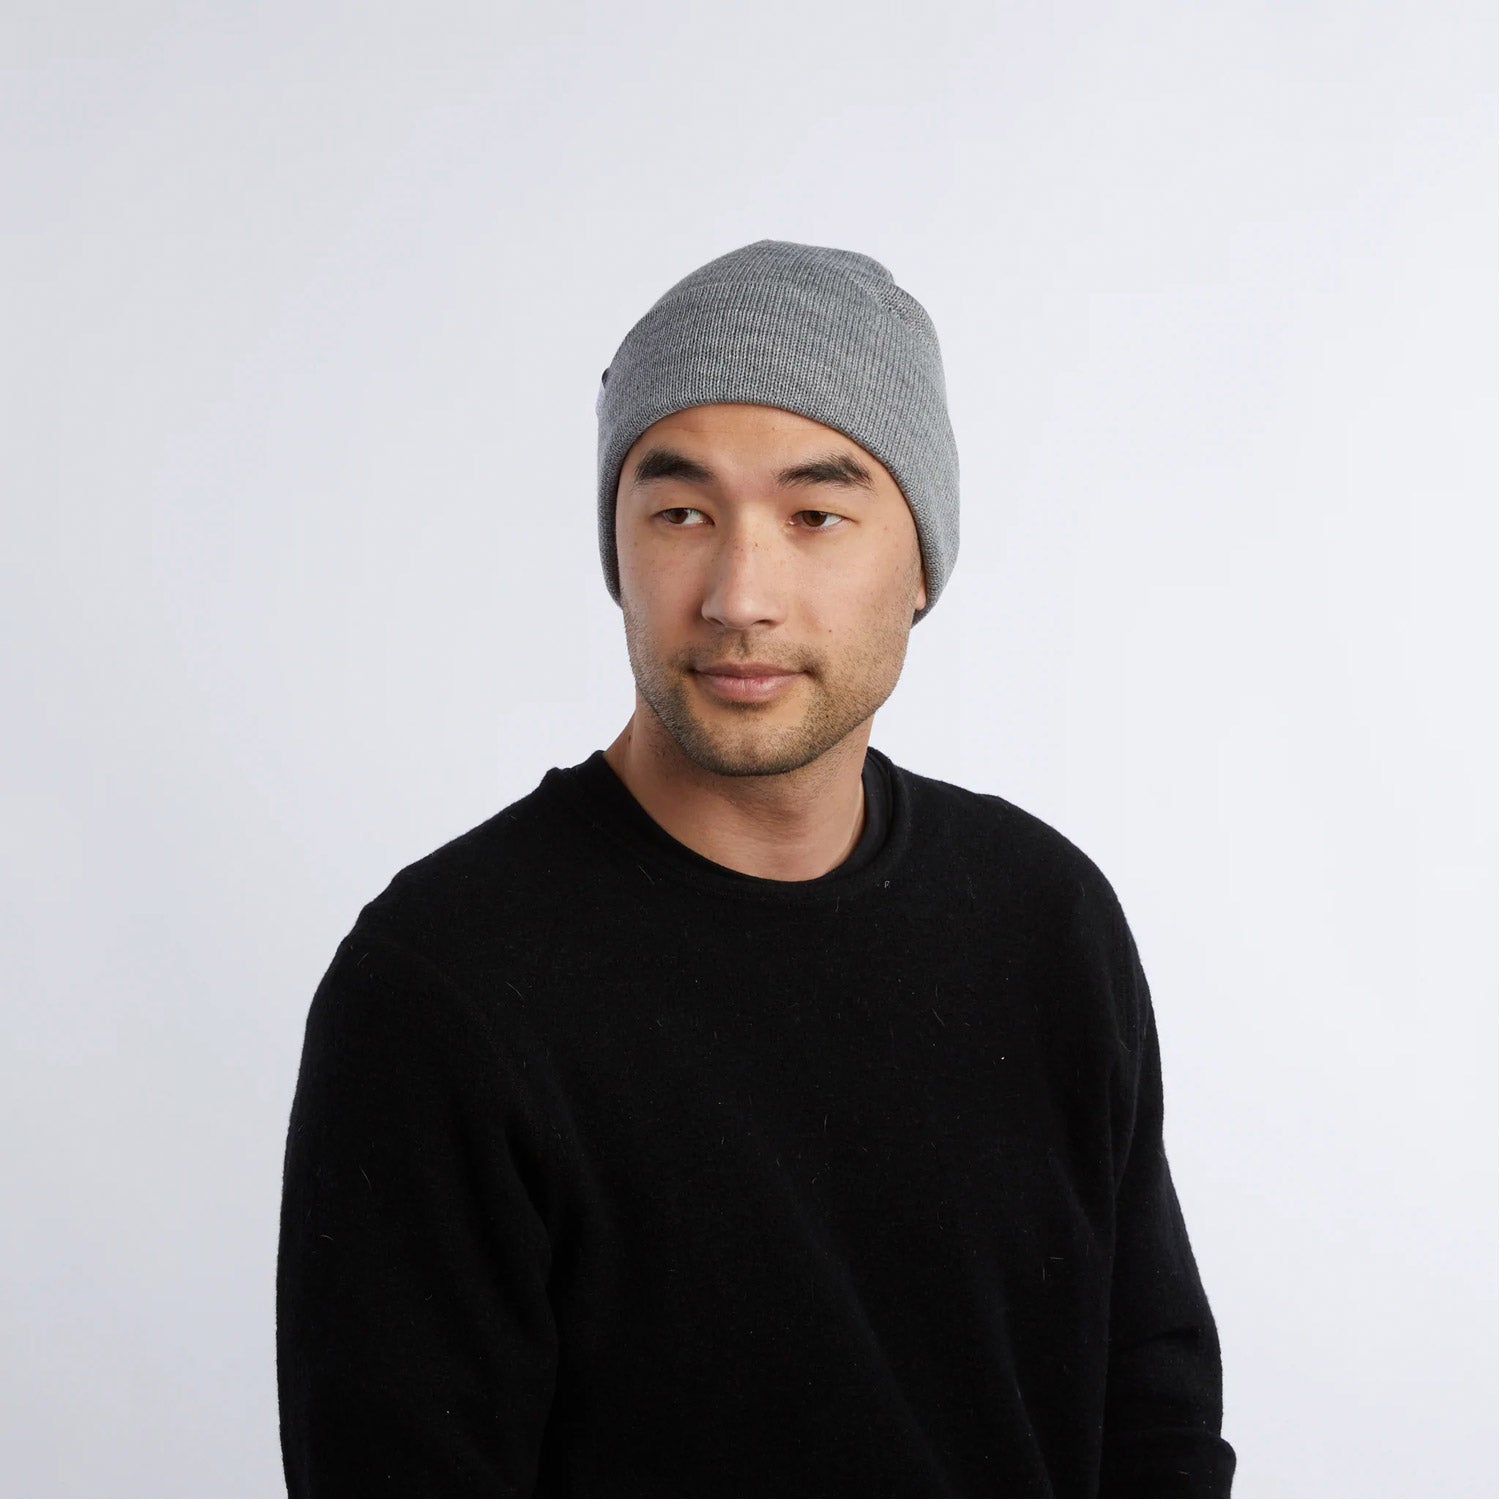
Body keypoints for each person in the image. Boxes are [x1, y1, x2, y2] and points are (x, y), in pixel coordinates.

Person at [276, 239, 1236, 1497]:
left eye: (815, 516)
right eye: (681, 513)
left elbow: (1154, 1415)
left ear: (921, 560)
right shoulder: (445, 985)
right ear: (618, 549)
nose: (739, 595)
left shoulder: (1042, 916)